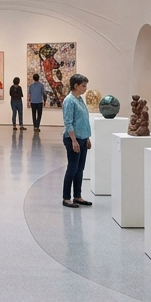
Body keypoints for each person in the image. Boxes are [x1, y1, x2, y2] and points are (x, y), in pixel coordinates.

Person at [61, 74, 92, 208]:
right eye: (83, 86)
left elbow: (83, 120)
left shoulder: (79, 99)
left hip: (83, 138)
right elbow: (68, 122)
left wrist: (87, 137)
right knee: (72, 168)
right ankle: (66, 197)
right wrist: (74, 141)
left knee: (80, 169)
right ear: (76, 86)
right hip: (73, 139)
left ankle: (77, 196)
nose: (85, 88)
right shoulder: (69, 100)